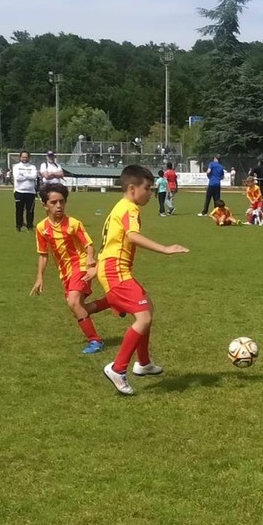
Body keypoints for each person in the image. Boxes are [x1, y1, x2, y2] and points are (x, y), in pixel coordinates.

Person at [94, 165, 188, 395]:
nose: (151, 193)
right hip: (115, 270)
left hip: (113, 268)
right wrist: (165, 249)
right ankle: (117, 369)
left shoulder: (120, 207)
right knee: (143, 317)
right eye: (147, 188)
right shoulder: (130, 208)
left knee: (147, 309)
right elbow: (132, 236)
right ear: (132, 188)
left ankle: (143, 363)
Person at [30, 183, 106, 354]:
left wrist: (90, 259)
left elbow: (89, 245)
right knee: (78, 309)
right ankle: (111, 301)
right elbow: (43, 254)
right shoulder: (42, 228)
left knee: (73, 302)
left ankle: (95, 341)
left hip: (80, 265)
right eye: (53, 202)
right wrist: (40, 277)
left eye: (62, 201)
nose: (59, 205)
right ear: (45, 205)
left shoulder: (73, 224)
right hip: (65, 272)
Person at [11, 151, 38, 232]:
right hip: (19, 191)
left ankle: (30, 226)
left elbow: (34, 176)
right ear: (20, 157)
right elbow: (17, 178)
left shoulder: (32, 167)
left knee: (30, 211)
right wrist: (28, 176)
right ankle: (18, 226)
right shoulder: (16, 167)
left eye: (26, 157)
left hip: (31, 192)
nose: (25, 159)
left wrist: (23, 175)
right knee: (19, 210)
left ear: (29, 158)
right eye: (23, 157)